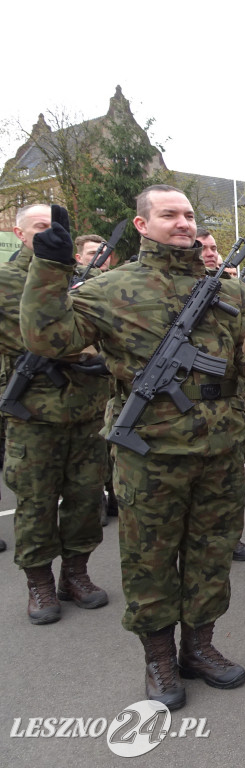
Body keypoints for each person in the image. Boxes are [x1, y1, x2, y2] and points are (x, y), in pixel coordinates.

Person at [20, 184, 245, 711]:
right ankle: (158, 657)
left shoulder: (230, 291)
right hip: (149, 453)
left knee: (212, 554)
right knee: (149, 561)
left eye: (189, 214)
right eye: (169, 214)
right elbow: (48, 340)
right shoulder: (108, 289)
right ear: (143, 224)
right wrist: (50, 270)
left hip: (220, 450)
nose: (183, 223)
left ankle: (200, 647)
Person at [1, 203, 109, 624]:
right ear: (20, 233)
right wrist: (83, 350)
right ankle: (39, 583)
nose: (47, 234)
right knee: (35, 503)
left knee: (85, 499)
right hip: (34, 414)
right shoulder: (8, 280)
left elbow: (107, 327)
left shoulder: (89, 280)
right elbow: (37, 337)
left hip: (86, 411)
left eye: (54, 228)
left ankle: (76, 575)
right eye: (39, 228)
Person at [195, 228, 245, 561]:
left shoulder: (234, 292)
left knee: (227, 488)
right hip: (169, 417)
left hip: (224, 409)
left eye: (213, 247)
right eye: (201, 246)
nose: (209, 252)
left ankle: (230, 539)